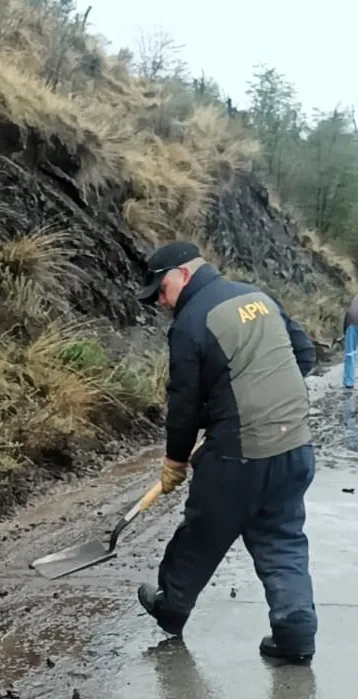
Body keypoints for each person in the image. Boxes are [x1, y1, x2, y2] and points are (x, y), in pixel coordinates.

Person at [135, 241, 318, 665]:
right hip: (294, 447)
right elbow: (303, 355)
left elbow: (182, 405)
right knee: (282, 538)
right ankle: (295, 632)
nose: (160, 302)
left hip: (239, 456)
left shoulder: (191, 322)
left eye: (160, 290)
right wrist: (265, 404)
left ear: (183, 273)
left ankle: (172, 607)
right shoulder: (258, 297)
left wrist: (175, 460)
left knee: (202, 533)